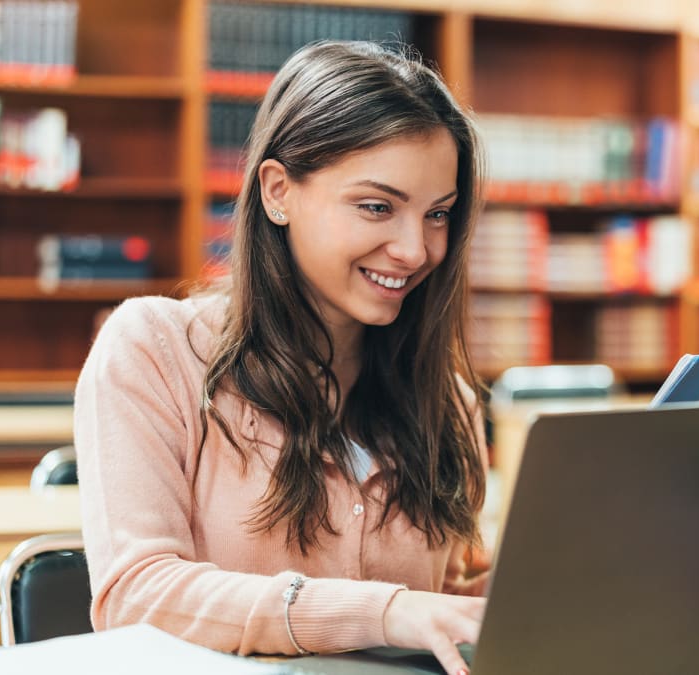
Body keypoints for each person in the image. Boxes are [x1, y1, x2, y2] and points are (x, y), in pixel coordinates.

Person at [74, 41, 489, 675]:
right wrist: (385, 611)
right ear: (277, 192)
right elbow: (135, 595)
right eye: (377, 207)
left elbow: (445, 615)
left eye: (438, 214)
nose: (415, 250)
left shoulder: (446, 398)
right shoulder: (152, 352)